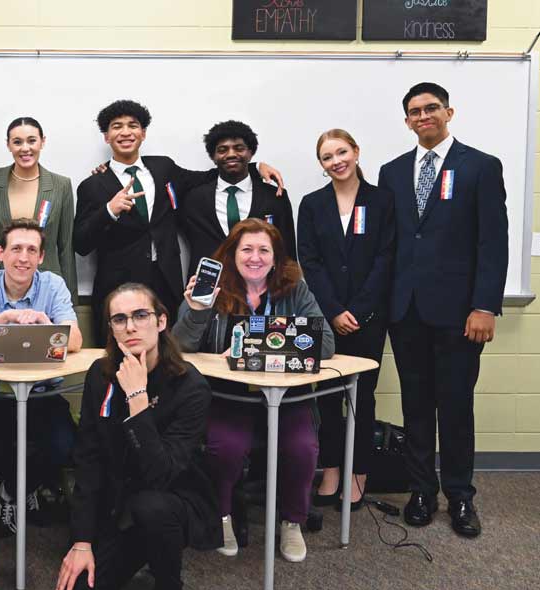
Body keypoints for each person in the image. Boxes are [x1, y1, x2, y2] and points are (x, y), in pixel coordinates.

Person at [377, 82, 507, 538]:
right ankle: (420, 490)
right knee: (415, 406)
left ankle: (459, 496)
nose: (423, 116)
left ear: (449, 112)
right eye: (414, 111)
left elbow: (493, 243)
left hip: (459, 314)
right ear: (407, 120)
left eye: (431, 108)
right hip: (406, 311)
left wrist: (485, 305)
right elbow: (392, 241)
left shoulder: (480, 167)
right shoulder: (391, 172)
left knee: (455, 405)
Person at [55, 283, 219, 590]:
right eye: (119, 319)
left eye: (140, 315)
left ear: (161, 321)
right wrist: (82, 541)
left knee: (151, 507)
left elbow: (161, 474)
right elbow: (89, 460)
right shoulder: (100, 377)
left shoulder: (191, 387)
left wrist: (137, 397)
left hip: (173, 500)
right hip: (118, 504)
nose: (130, 327)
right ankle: (143, 549)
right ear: (111, 329)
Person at [172, 218, 334, 563]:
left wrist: (261, 347)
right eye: (246, 249)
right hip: (231, 396)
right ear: (232, 255)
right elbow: (179, 346)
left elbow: (326, 344)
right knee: (225, 447)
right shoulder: (212, 289)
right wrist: (198, 311)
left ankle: (293, 521)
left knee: (303, 447)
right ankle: (222, 516)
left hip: (286, 398)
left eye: (264, 250)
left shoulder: (295, 288)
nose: (255, 257)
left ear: (276, 258)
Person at [74, 100, 285, 344]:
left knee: (169, 356)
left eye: (133, 125)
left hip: (166, 283)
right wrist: (109, 210)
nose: (125, 132)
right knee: (119, 358)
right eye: (116, 126)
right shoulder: (92, 185)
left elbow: (209, 175)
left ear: (142, 133)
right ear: (106, 137)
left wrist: (255, 166)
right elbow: (81, 243)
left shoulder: (163, 167)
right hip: (118, 287)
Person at [0, 218, 83, 535]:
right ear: (1, 253)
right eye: (16, 249)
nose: (23, 258)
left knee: (65, 446)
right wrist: (3, 319)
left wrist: (45, 321)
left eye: (31, 250)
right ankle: (13, 488)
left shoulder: (53, 285)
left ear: (40, 257)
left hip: (41, 395)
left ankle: (15, 490)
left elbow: (76, 340)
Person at [297, 129, 396, 509]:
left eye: (342, 152)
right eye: (327, 156)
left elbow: (386, 258)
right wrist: (334, 310)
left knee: (363, 396)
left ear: (356, 152)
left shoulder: (382, 201)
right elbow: (311, 260)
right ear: (321, 164)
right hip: (325, 315)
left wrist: (359, 309)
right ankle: (332, 469)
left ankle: (358, 474)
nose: (336, 160)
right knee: (326, 400)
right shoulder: (311, 204)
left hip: (369, 316)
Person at [0, 117, 78, 299]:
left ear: (42, 142)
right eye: (17, 142)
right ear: (8, 145)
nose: (25, 148)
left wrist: (71, 299)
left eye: (32, 140)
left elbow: (65, 247)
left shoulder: (61, 185)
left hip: (47, 281)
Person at [180, 120, 297, 266]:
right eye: (222, 150)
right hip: (210, 285)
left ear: (251, 152)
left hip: (262, 283)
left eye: (239, 148)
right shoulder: (193, 200)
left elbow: (287, 250)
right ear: (213, 157)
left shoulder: (275, 196)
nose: (231, 154)